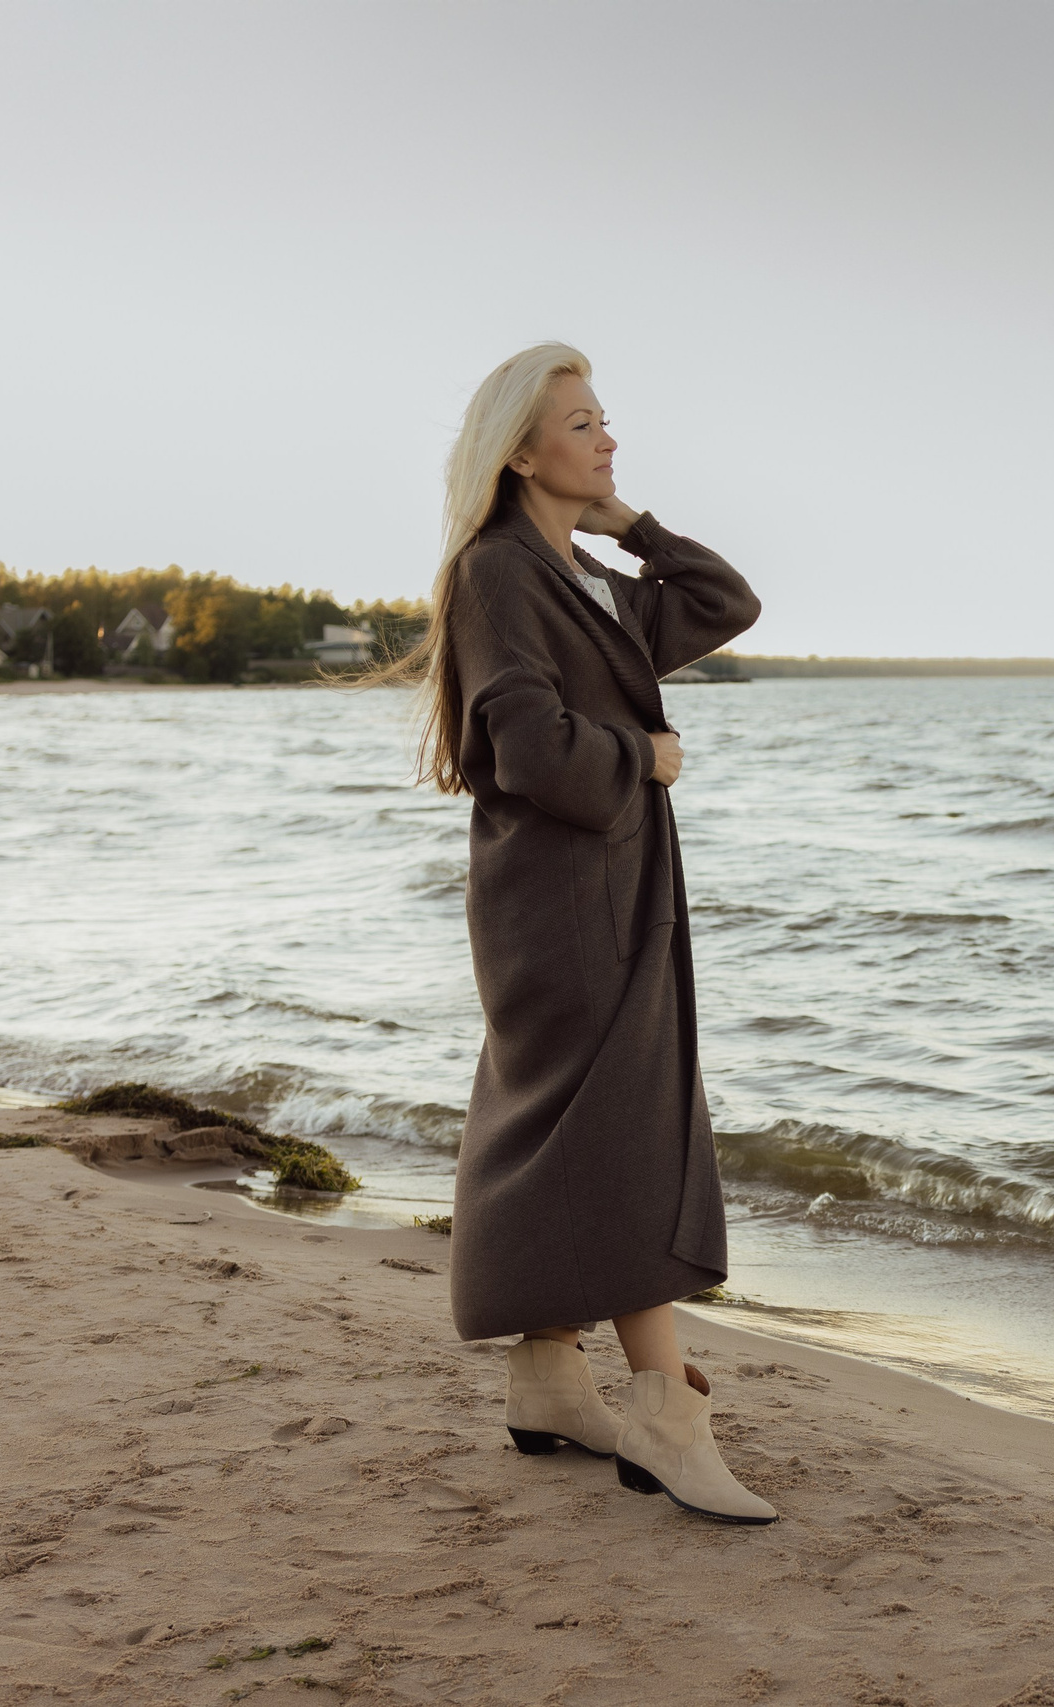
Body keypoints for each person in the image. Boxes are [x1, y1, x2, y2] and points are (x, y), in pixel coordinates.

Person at [374, 342, 771, 1523]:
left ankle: (549, 1376)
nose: (607, 440)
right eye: (583, 424)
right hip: (564, 894)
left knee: (573, 1123)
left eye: (606, 422)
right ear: (520, 450)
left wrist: (627, 522)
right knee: (625, 1129)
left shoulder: (579, 575)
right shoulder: (496, 572)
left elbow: (723, 604)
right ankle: (661, 1408)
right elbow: (530, 750)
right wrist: (641, 758)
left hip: (601, 886)